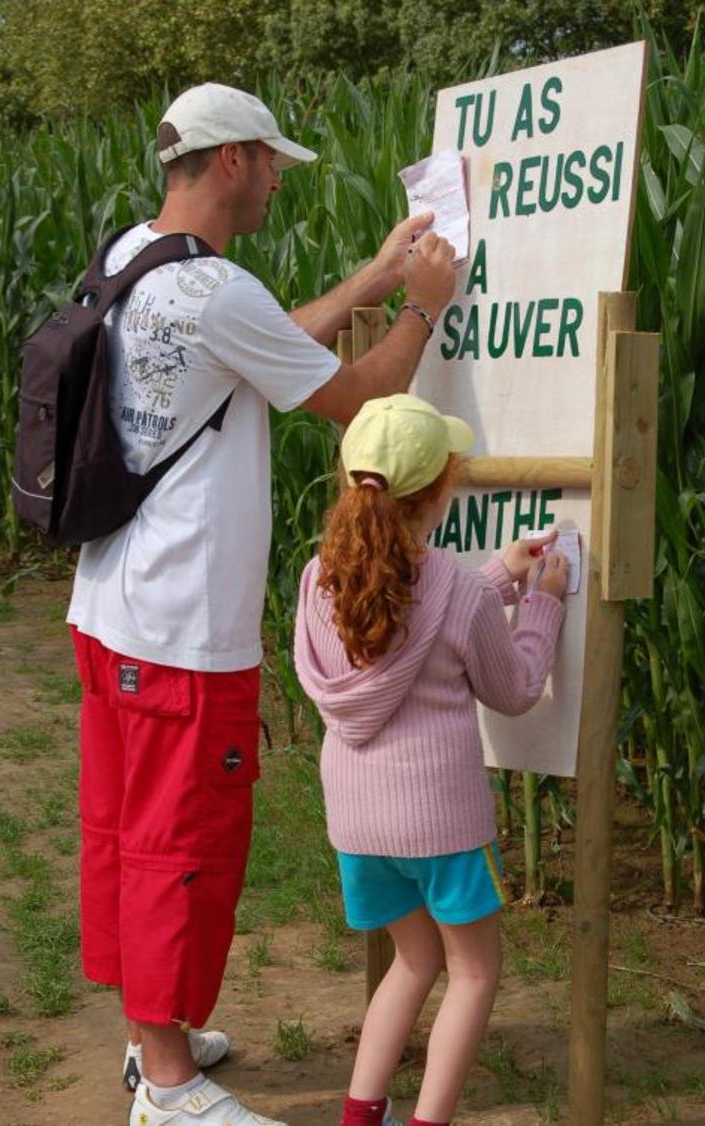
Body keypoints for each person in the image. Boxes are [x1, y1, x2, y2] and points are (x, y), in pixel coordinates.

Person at [66, 83, 457, 1126]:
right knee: (178, 844)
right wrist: (423, 304)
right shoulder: (216, 289)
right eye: (273, 159)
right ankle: (169, 1082)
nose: (280, 177)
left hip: (111, 609)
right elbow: (359, 395)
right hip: (182, 628)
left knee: (123, 828)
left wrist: (367, 276)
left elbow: (260, 343)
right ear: (231, 159)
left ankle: (155, 1034)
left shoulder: (130, 261)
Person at [293, 393, 568, 1126]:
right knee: (473, 972)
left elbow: (410, 616)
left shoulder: (317, 579)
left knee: (413, 961)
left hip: (357, 824)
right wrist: (542, 603)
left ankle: (360, 1113)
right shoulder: (450, 584)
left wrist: (497, 577)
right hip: (441, 825)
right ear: (441, 489)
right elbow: (512, 688)